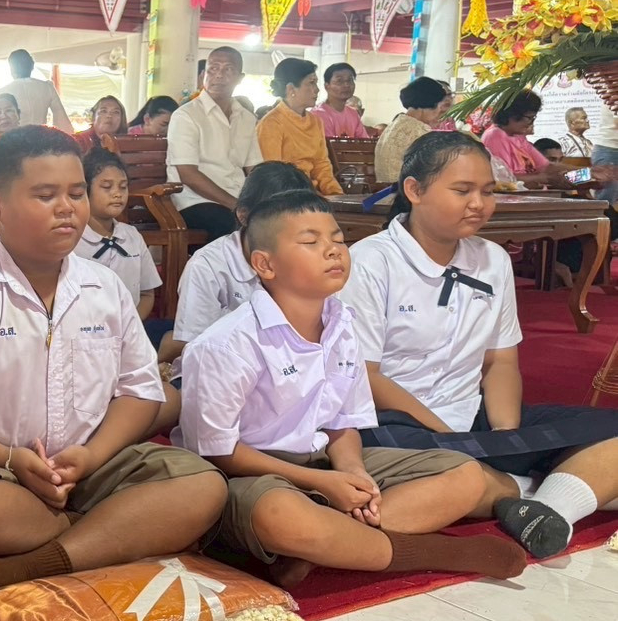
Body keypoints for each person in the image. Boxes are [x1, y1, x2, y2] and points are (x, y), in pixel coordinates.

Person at [0, 126, 227, 604]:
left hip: (90, 463)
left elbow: (140, 390)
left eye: (76, 193)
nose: (68, 208)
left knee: (204, 486)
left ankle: (36, 561)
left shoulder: (104, 287)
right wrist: (6, 457)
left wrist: (93, 457)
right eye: (46, 195)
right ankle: (110, 533)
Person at [176, 190, 522, 587]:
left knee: (467, 476)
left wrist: (354, 473)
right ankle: (433, 552)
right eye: (311, 242)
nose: (333, 251)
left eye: (338, 239)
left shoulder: (342, 324)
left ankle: (328, 543)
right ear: (265, 264)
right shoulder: (226, 343)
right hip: (251, 474)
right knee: (281, 515)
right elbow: (221, 454)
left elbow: (343, 423)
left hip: (321, 461)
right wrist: (321, 483)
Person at [342, 133, 618, 559]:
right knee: (456, 471)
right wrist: (449, 433)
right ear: (414, 190)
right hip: (396, 426)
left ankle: (540, 506)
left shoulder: (492, 258)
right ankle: (536, 488)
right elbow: (365, 375)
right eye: (462, 190)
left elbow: (501, 361)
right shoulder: (370, 262)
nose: (479, 204)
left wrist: (509, 436)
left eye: (487, 191)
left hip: (473, 418)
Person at [159, 162, 313, 365]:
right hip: (220, 368)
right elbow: (197, 345)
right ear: (244, 216)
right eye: (276, 220)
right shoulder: (208, 266)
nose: (287, 232)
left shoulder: (310, 256)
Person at [166, 46, 263, 241]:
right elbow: (188, 175)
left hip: (236, 200)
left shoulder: (246, 118)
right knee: (230, 225)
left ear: (240, 78)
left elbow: (255, 169)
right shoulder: (186, 116)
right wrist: (235, 205)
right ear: (203, 75)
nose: (219, 75)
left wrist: (265, 199)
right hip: (194, 201)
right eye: (213, 69)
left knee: (278, 220)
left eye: (228, 69)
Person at [77, 148, 161, 323]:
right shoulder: (74, 239)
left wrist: (129, 326)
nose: (117, 193)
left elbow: (147, 294)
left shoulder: (132, 236)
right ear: (85, 190)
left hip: (129, 329)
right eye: (107, 187)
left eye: (123, 187)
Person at [256, 57, 343, 196]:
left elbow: (322, 166)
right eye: (311, 83)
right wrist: (312, 196)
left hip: (312, 195)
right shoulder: (271, 123)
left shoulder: (316, 122)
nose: (317, 89)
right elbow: (273, 175)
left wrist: (336, 194)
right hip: (284, 196)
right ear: (291, 89)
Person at [483, 90, 567, 188]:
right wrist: (542, 178)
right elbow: (504, 179)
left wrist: (585, 170)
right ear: (513, 114)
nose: (531, 123)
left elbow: (545, 167)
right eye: (530, 117)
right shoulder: (495, 136)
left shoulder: (518, 136)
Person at [374, 77, 448, 184]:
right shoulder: (419, 131)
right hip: (405, 193)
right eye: (440, 107)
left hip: (384, 192)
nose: (439, 113)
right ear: (432, 104)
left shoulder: (395, 124)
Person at [0, 49, 68, 128]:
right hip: (41, 138)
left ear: (12, 68)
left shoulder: (2, 92)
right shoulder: (47, 87)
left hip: (15, 139)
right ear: (31, 66)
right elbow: (62, 120)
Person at [312, 63, 371, 140]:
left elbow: (364, 143)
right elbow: (330, 147)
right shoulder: (318, 114)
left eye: (350, 80)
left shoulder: (353, 114)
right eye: (339, 81)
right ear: (327, 86)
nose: (346, 85)